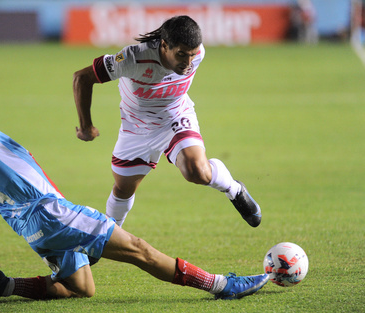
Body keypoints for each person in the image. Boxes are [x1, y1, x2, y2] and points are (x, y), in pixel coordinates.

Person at [0, 73, 268, 302]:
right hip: (53, 214)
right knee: (140, 251)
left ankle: (5, 286)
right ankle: (223, 285)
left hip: (32, 231)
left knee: (81, 288)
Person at [73, 15, 262, 228]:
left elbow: (189, 57)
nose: (188, 63)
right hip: (137, 127)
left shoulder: (198, 53)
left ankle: (235, 190)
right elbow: (82, 78)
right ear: (164, 45)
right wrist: (86, 126)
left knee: (196, 171)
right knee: (123, 189)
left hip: (175, 117)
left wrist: (187, 55)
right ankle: (109, 235)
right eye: (181, 54)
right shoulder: (132, 58)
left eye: (192, 55)